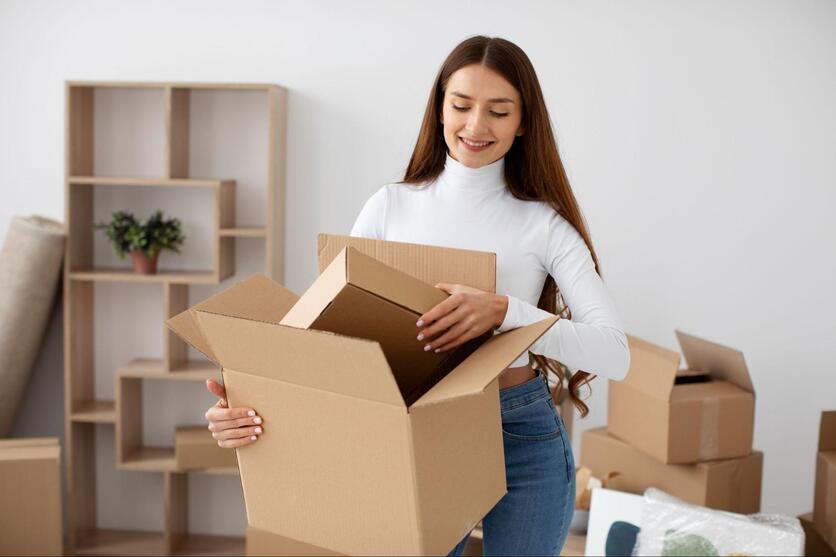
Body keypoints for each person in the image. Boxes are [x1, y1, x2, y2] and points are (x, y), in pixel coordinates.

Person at [204, 35, 630, 557]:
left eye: (498, 111)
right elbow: (319, 345)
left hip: (519, 432)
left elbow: (616, 353)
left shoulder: (545, 226)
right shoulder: (389, 208)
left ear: (523, 123)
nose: (476, 126)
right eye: (461, 105)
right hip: (414, 426)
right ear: (439, 108)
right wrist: (249, 403)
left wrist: (506, 312)